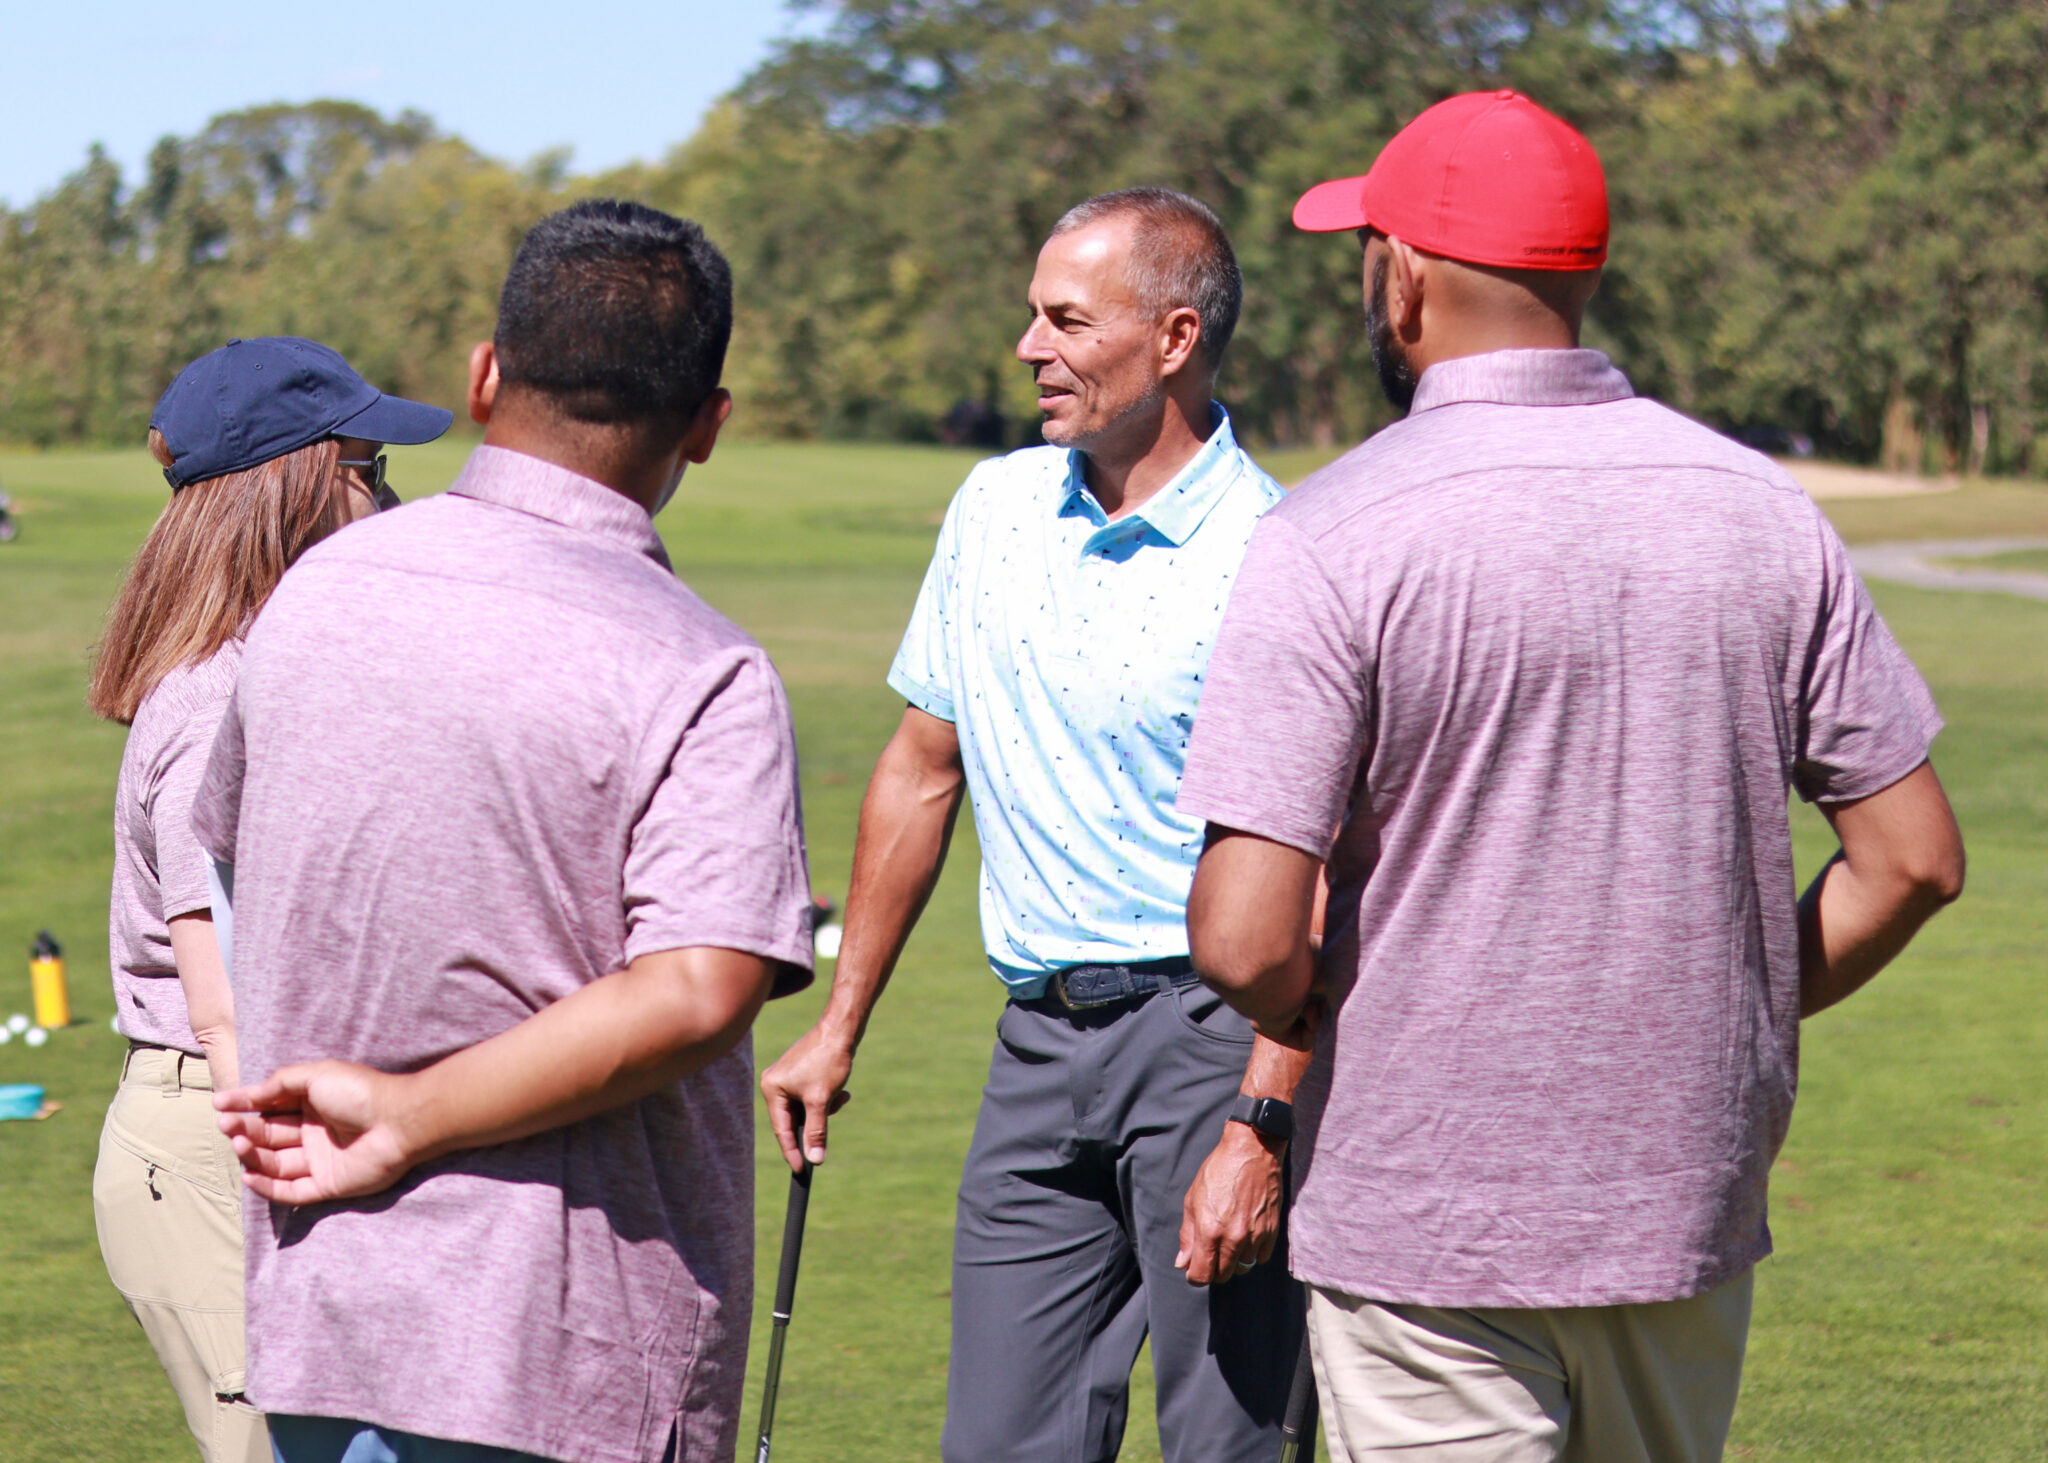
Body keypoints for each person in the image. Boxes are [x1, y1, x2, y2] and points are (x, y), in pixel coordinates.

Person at [1177, 91, 1966, 1463]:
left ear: (1402, 275)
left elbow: (1245, 938)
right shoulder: (1759, 507)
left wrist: (1305, 996)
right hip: (1679, 1196)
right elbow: (1912, 859)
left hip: (1425, 1213)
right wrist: (1734, 1005)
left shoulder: (1335, 529)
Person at [198, 200, 815, 1463]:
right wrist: (409, 1113)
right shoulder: (700, 666)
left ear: (484, 378)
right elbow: (698, 987)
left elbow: (227, 857)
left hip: (329, 1306)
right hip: (560, 1348)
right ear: (708, 423)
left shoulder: (319, 588)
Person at [761, 187, 1306, 1463]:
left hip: (1214, 1043)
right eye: (1031, 316)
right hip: (1035, 1046)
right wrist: (838, 1024)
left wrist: (1264, 1118)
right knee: (1000, 1442)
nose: (1028, 348)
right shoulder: (993, 509)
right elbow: (920, 768)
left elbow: (1320, 865)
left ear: (1172, 338)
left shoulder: (1278, 551)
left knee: (1227, 1446)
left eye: (1065, 321)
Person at [88, 335, 452, 1463]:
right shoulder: (220, 700)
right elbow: (226, 1005)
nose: (392, 498)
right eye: (368, 469)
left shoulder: (277, 666)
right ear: (295, 487)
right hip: (228, 1133)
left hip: (269, 1122)